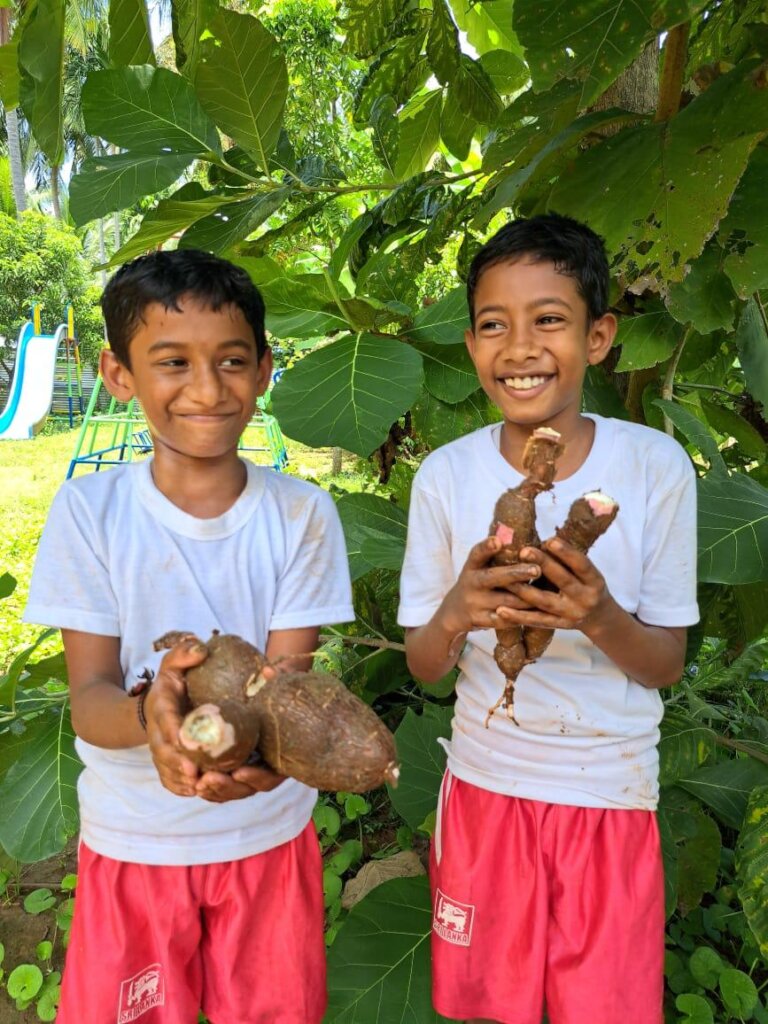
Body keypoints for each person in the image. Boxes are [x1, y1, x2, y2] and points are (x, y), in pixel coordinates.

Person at [23, 250, 355, 1024]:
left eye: (232, 360)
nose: (207, 389)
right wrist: (152, 718)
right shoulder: (88, 512)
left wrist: (268, 762)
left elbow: (284, 692)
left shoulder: (303, 515)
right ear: (118, 374)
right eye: (172, 362)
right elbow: (90, 699)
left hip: (266, 838)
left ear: (266, 369)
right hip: (136, 844)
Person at [398, 213, 698, 1024]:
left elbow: (665, 661)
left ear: (599, 337)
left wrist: (597, 614)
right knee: (486, 1004)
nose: (520, 347)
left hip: (608, 792)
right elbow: (423, 662)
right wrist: (460, 608)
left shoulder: (654, 467)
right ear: (470, 346)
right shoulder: (446, 478)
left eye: (550, 321)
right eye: (494, 325)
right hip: (486, 789)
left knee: (599, 1008)